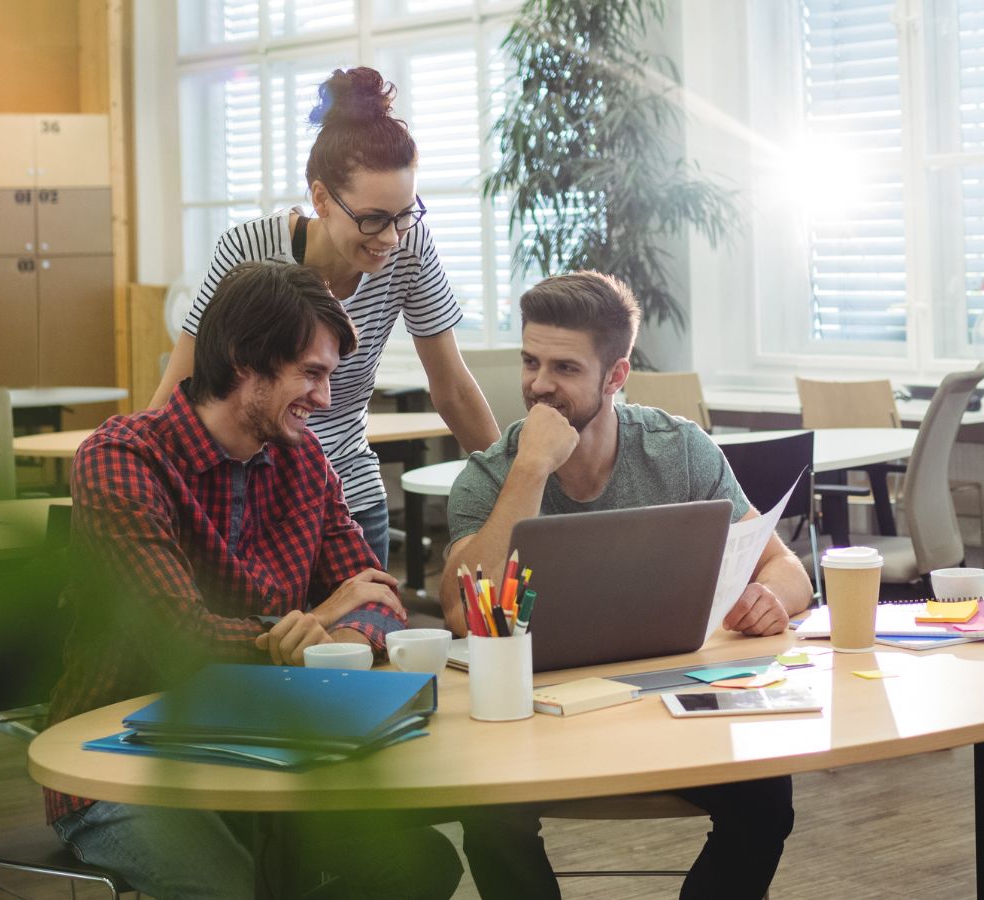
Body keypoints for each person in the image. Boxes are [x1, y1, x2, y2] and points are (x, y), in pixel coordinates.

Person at [48, 259, 461, 900]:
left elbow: (379, 598)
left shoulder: (302, 458)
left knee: (420, 863)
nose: (325, 399)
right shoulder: (123, 459)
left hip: (265, 745)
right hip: (120, 762)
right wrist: (322, 620)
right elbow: (178, 640)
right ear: (245, 361)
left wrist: (339, 627)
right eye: (312, 374)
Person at [441, 271, 811, 900]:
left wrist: (769, 598)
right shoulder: (490, 476)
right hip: (536, 717)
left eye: (564, 367)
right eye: (530, 362)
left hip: (667, 705)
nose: (538, 385)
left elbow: (788, 570)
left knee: (767, 798)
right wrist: (529, 471)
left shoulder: (679, 452)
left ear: (616, 376)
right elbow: (458, 612)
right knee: (489, 811)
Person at [151, 66, 500, 567]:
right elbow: (182, 386)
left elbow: (453, 387)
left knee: (366, 635)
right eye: (373, 219)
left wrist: (510, 485)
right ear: (321, 199)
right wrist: (139, 476)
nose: (391, 238)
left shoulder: (410, 246)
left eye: (405, 214)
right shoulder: (251, 248)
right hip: (246, 498)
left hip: (348, 495)